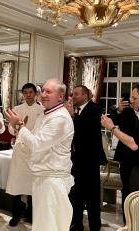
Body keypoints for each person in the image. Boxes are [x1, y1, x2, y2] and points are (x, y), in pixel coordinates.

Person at [5, 78, 75, 231]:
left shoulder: (60, 118)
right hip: (42, 175)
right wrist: (19, 128)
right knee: (42, 223)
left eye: (49, 91)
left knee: (49, 225)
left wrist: (20, 125)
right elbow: (33, 139)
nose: (43, 94)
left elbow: (36, 144)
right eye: (43, 90)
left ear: (60, 96)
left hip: (52, 179)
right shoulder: (46, 114)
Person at [65, 85, 107, 231]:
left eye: (76, 94)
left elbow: (87, 130)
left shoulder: (95, 109)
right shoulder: (78, 111)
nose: (73, 97)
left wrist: (73, 116)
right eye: (72, 94)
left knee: (92, 198)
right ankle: (77, 224)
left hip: (90, 162)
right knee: (76, 195)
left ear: (85, 96)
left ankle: (95, 226)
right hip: (76, 161)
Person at [6, 83, 43, 226]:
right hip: (20, 151)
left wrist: (25, 129)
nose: (28, 95)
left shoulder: (42, 110)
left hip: (34, 151)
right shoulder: (17, 109)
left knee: (32, 186)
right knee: (17, 184)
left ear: (35, 94)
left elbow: (41, 130)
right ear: (23, 94)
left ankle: (31, 215)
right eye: (25, 92)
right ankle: (16, 215)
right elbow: (10, 128)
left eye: (30, 92)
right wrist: (17, 127)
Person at [107, 84, 139, 218]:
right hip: (126, 158)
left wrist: (112, 129)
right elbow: (114, 118)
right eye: (131, 97)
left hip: (137, 160)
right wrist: (118, 110)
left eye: (135, 97)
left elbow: (134, 144)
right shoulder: (128, 111)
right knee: (127, 192)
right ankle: (128, 223)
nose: (131, 100)